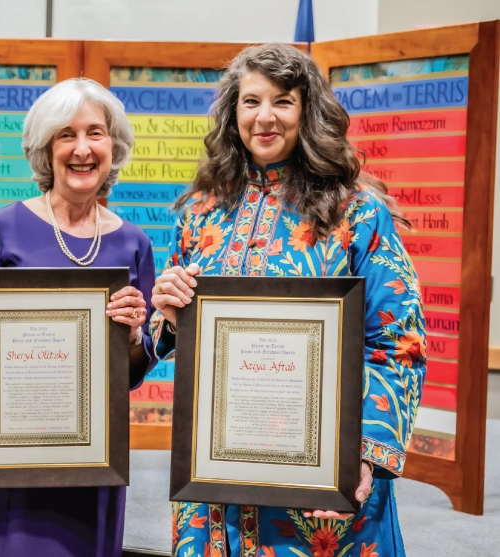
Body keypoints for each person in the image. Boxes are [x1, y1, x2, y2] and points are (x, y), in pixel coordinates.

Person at [150, 44, 426, 557]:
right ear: (233, 114)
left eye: (283, 101)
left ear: (308, 111)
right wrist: (166, 313)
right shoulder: (198, 214)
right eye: (251, 102)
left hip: (321, 484)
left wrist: (361, 454)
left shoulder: (357, 215)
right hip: (216, 486)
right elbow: (166, 334)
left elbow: (398, 342)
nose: (265, 117)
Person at [0, 78, 157, 557]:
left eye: (95, 133)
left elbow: (133, 371)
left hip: (89, 463)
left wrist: (133, 337)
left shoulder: (134, 244)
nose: (82, 149)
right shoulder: (2, 227)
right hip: (3, 459)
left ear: (113, 146)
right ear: (45, 149)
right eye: (65, 135)